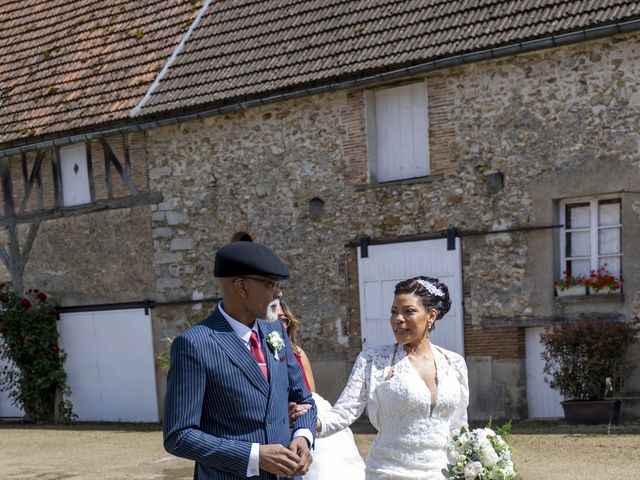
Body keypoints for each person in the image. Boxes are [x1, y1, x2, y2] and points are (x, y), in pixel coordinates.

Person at [163, 241, 317, 480]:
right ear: (242, 287)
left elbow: (303, 399)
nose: (279, 293)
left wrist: (303, 437)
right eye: (271, 284)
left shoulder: (274, 329)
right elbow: (179, 436)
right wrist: (253, 455)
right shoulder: (195, 344)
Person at [317, 276, 469, 480]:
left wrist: (474, 463)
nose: (398, 319)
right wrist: (306, 424)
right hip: (389, 472)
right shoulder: (373, 360)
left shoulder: (454, 363)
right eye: (394, 312)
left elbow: (459, 425)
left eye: (409, 311)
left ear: (431, 315)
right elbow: (344, 412)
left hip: (443, 474)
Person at [276, 300, 366, 480]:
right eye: (274, 319)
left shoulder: (298, 353)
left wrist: (304, 413)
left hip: (305, 419)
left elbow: (311, 394)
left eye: (283, 319)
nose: (280, 324)